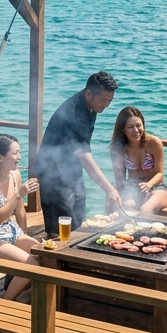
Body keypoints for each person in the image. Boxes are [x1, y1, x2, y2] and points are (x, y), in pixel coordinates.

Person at [33, 71, 121, 232]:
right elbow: (84, 155)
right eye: (103, 100)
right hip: (52, 172)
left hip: (72, 169)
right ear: (88, 94)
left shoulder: (91, 107)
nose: (106, 105)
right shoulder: (74, 112)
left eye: (109, 101)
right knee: (61, 226)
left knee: (78, 219)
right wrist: (109, 189)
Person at [0, 134, 41, 300]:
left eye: (19, 152)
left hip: (11, 230)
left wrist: (23, 236)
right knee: (31, 263)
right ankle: (8, 301)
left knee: (43, 255)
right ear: (0, 157)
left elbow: (20, 211)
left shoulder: (15, 175)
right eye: (15, 153)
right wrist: (19, 194)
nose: (19, 157)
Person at [109, 106, 167, 216]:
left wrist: (149, 184)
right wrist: (124, 197)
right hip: (132, 188)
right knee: (115, 204)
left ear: (143, 125)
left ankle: (147, 228)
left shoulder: (154, 143)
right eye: (130, 127)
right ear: (123, 130)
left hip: (156, 187)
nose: (136, 130)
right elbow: (120, 180)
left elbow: (160, 173)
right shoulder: (119, 149)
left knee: (146, 209)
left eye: (138, 125)